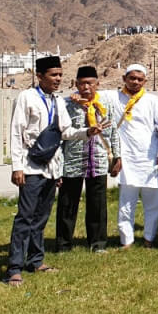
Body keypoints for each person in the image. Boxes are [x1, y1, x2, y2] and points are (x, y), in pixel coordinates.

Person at [6, 55, 100, 286]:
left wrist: (87, 132)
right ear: (40, 76)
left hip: (51, 167)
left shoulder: (57, 101)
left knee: (41, 217)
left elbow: (66, 131)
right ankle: (14, 268)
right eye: (53, 75)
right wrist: (17, 167)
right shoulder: (27, 97)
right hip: (30, 166)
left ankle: (36, 261)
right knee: (25, 217)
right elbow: (16, 133)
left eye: (60, 75)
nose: (58, 79)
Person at [56, 65, 121, 253]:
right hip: (73, 160)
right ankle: (63, 244)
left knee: (98, 204)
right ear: (76, 84)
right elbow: (60, 135)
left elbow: (113, 132)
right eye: (82, 83)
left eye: (90, 83)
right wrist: (58, 165)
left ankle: (98, 243)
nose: (86, 87)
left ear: (97, 84)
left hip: (98, 160)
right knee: (67, 204)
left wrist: (117, 156)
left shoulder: (105, 104)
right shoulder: (67, 104)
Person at [104, 64, 158, 249]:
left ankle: (149, 238)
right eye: (132, 78)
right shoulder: (113, 97)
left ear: (145, 81)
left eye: (140, 79)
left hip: (149, 160)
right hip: (127, 159)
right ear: (124, 79)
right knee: (126, 203)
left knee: (152, 204)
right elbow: (91, 95)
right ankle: (126, 240)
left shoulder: (153, 101)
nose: (135, 82)